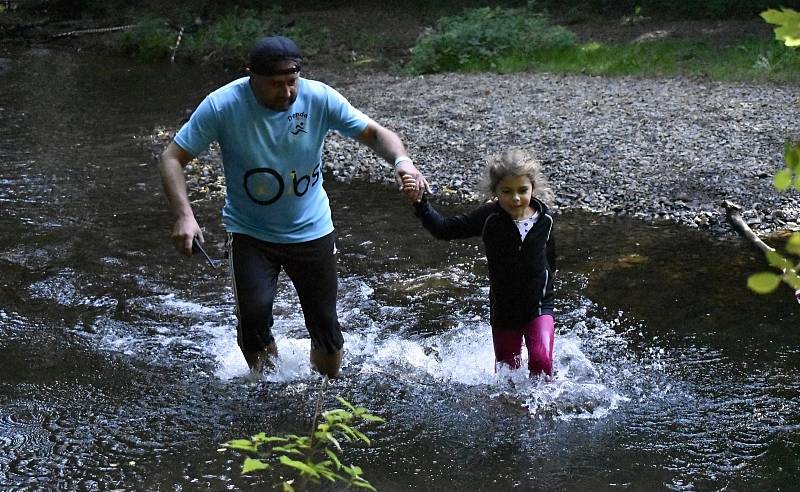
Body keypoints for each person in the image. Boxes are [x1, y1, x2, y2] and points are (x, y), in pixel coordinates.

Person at [158, 35, 428, 378]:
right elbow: (171, 158)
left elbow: (375, 133)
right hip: (250, 232)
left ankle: (325, 396)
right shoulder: (222, 105)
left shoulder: (318, 97)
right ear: (250, 76)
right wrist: (184, 215)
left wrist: (402, 161)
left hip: (311, 228)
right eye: (275, 84)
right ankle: (269, 392)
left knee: (325, 325)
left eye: (291, 81)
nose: (286, 93)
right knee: (253, 321)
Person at [402, 149, 556, 377]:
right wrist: (420, 203)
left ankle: (544, 409)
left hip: (539, 306)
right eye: (507, 191)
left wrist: (549, 288)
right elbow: (444, 229)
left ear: (533, 188)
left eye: (523, 190)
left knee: (542, 363)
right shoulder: (488, 218)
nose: (515, 198)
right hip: (504, 310)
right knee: (507, 374)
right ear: (495, 192)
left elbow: (550, 260)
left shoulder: (546, 219)